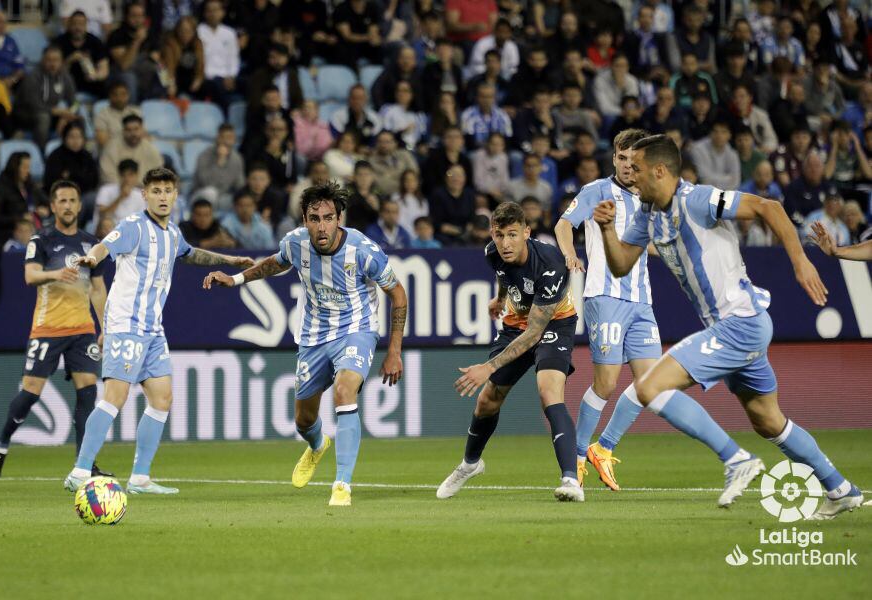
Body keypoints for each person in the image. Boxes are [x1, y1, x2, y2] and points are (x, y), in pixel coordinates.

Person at [593, 134, 864, 517]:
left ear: (659, 170)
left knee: (649, 386)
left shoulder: (698, 199)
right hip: (736, 329)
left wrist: (801, 261)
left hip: (739, 323)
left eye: (636, 168)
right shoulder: (647, 214)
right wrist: (606, 229)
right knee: (769, 422)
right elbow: (621, 263)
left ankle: (735, 459)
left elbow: (768, 207)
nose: (630, 176)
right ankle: (840, 488)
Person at [203, 182, 408, 506]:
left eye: (328, 218)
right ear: (304, 219)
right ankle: (317, 445)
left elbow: (398, 294)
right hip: (313, 337)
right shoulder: (296, 243)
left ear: (339, 218)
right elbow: (276, 262)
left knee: (344, 391)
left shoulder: (364, 250)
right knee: (303, 420)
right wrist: (236, 279)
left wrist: (394, 351)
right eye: (315, 218)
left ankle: (342, 484)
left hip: (357, 330)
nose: (322, 226)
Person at [63, 168, 254, 494]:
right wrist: (90, 259)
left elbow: (192, 254)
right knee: (116, 396)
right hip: (125, 324)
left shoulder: (173, 234)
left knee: (162, 398)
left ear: (176, 195)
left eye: (168, 191)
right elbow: (103, 247)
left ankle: (139, 477)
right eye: (156, 191)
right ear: (145, 195)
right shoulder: (133, 227)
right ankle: (80, 470)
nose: (163, 197)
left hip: (153, 329)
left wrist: (232, 261)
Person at [438, 201, 582, 501]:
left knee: (549, 390)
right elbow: (505, 275)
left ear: (527, 233)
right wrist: (500, 298)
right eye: (500, 235)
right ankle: (470, 464)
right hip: (516, 323)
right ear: (493, 233)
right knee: (487, 400)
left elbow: (534, 333)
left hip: (554, 323)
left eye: (513, 235)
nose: (505, 243)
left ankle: (571, 480)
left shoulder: (551, 264)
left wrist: (488, 367)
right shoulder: (492, 253)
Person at [554, 128, 667, 490]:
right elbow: (562, 225)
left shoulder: (650, 198)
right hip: (605, 297)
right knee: (605, 383)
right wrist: (570, 253)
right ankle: (575, 455)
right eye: (621, 159)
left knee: (652, 384)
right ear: (614, 157)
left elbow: (645, 245)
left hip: (641, 301)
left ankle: (603, 448)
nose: (628, 168)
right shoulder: (596, 192)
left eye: (634, 162)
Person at [0, 181, 110, 478]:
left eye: (72, 200)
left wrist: (106, 327)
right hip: (48, 328)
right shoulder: (41, 240)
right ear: (53, 206)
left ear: (80, 206)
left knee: (88, 392)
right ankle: (0, 448)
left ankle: (85, 465)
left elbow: (98, 289)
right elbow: (30, 276)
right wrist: (58, 273)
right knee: (31, 393)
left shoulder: (92, 244)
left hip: (83, 330)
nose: (67, 205)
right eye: (62, 200)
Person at [14, 46, 79, 150]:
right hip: (25, 113)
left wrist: (68, 114)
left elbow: (75, 101)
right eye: (49, 60)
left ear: (61, 61)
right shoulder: (33, 76)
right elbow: (33, 104)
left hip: (51, 112)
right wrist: (55, 111)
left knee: (77, 119)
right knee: (43, 118)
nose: (53, 64)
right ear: (43, 60)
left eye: (56, 60)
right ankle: (41, 153)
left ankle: (75, 154)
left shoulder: (65, 76)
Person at [0, 152, 50, 251]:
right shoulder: (2, 188)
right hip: (9, 233)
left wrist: (45, 210)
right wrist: (19, 218)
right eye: (24, 167)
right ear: (15, 167)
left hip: (33, 229)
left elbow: (48, 203)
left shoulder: (30, 185)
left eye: (28, 167)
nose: (27, 171)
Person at [54, 10, 109, 98]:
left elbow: (104, 69)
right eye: (74, 24)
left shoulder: (95, 42)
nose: (78, 28)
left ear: (86, 25)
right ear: (69, 24)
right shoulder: (59, 42)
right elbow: (53, 71)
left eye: (81, 24)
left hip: (90, 81)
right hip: (67, 81)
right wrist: (70, 60)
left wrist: (96, 76)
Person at [192, 123, 246, 212]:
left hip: (223, 197)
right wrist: (219, 163)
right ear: (218, 138)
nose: (227, 141)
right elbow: (207, 183)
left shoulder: (237, 158)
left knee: (243, 202)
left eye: (231, 138)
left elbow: (240, 185)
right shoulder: (205, 155)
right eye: (224, 137)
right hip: (200, 196)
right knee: (211, 193)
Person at [43, 121, 99, 203]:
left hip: (84, 195)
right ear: (64, 138)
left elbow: (93, 181)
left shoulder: (87, 156)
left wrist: (71, 175)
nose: (75, 141)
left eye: (79, 137)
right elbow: (50, 183)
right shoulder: (56, 156)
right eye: (71, 137)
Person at [99, 114, 163, 184]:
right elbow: (107, 176)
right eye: (128, 130)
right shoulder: (111, 148)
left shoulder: (151, 149)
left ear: (142, 130)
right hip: (117, 189)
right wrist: (127, 187)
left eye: (136, 129)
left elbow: (158, 175)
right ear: (123, 131)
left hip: (144, 190)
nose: (133, 133)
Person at [94, 159, 143, 226]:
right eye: (124, 175)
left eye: (130, 175)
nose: (127, 179)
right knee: (106, 223)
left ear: (137, 175)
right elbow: (103, 215)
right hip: (109, 232)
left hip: (131, 232)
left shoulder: (141, 195)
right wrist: (121, 197)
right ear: (119, 176)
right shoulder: (105, 190)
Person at [94, 81, 142, 148]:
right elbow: (103, 142)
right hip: (113, 153)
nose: (120, 98)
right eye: (116, 95)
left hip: (135, 150)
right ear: (110, 96)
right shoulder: (102, 115)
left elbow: (143, 136)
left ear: (128, 95)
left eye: (123, 94)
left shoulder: (136, 112)